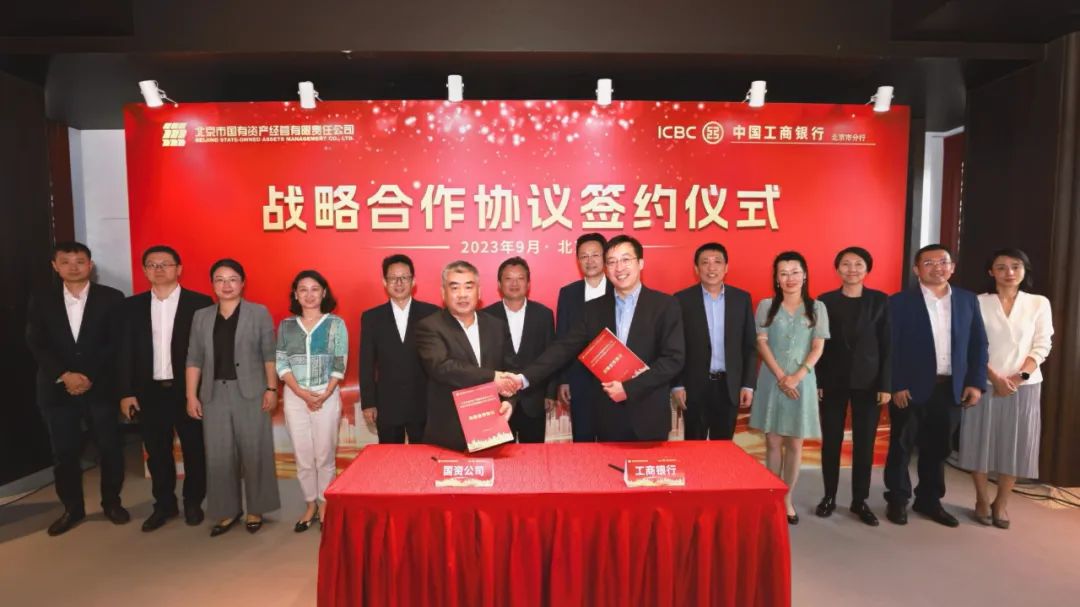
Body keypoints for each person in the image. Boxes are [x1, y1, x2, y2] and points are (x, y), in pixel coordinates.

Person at [516, 235, 685, 442]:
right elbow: (562, 348)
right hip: (608, 417)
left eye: (625, 259)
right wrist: (523, 378)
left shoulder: (665, 305)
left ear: (640, 263)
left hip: (648, 414)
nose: (619, 268)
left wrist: (628, 388)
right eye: (612, 262)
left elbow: (673, 360)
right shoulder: (593, 309)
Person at [26, 241, 128, 536]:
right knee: (64, 454)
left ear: (90, 265)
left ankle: (112, 503)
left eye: (80, 261)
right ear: (55, 266)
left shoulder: (112, 298)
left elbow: (115, 343)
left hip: (101, 388)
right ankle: (72, 508)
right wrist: (65, 375)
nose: (73, 267)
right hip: (57, 389)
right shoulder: (41, 299)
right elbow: (36, 342)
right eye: (66, 262)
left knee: (110, 449)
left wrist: (88, 376)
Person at [884, 244, 988, 528]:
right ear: (917, 269)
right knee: (901, 446)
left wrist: (975, 383)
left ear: (952, 267)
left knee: (938, 448)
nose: (937, 267)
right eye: (928, 263)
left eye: (943, 261)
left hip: (950, 387)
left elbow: (978, 344)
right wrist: (896, 384)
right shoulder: (899, 302)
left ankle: (929, 500)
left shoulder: (967, 300)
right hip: (909, 388)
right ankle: (897, 498)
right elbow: (890, 347)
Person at [117, 245, 213, 532]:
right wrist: (126, 391)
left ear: (179, 269)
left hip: (188, 391)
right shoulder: (131, 307)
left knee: (194, 449)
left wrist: (202, 392)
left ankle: (193, 502)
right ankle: (164, 505)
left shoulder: (200, 303)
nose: (158, 269)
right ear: (145, 270)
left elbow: (208, 351)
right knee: (157, 452)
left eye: (165, 264)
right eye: (152, 264)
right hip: (148, 392)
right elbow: (124, 351)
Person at [959, 248, 1052, 529]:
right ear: (991, 272)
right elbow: (970, 345)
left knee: (1015, 445)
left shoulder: (1038, 303)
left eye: (1015, 266)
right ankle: (981, 499)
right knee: (978, 442)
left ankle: (1001, 502)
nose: (1009, 272)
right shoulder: (977, 302)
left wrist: (1019, 377)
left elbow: (1043, 344)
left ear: (1025, 270)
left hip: (1025, 386)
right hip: (983, 382)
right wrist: (994, 377)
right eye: (1001, 267)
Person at [186, 259, 280, 536]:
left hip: (251, 392)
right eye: (219, 279)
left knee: (255, 451)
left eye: (232, 279)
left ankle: (256, 509)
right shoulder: (201, 316)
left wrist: (272, 389)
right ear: (212, 284)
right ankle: (227, 510)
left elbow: (269, 354)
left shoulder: (258, 313)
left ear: (242, 283)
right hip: (213, 394)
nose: (226, 285)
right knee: (219, 455)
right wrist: (191, 395)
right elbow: (194, 358)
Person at [749, 251, 829, 525]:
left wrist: (797, 376)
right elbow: (761, 342)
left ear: (804, 275)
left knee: (795, 442)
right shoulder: (766, 306)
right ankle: (772, 495)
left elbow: (818, 346)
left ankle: (787, 498)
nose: (790, 278)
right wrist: (783, 376)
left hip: (803, 381)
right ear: (776, 279)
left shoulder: (817, 308)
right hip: (771, 379)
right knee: (772, 441)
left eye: (795, 272)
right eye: (783, 273)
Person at [814, 246, 891, 526]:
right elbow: (818, 344)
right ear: (837, 269)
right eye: (846, 264)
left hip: (869, 383)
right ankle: (829, 496)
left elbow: (888, 345)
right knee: (831, 442)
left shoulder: (880, 301)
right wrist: (818, 381)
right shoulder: (825, 301)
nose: (852, 269)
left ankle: (860, 500)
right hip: (832, 382)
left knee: (864, 444)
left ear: (867, 269)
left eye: (858, 264)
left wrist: (886, 384)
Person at [415, 260, 515, 452]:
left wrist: (510, 402)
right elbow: (442, 367)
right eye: (455, 288)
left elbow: (510, 369)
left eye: (468, 287)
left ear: (479, 292)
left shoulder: (497, 326)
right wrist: (492, 377)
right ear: (443, 293)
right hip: (449, 436)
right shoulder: (429, 327)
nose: (462, 294)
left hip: (494, 431)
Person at [276, 270, 348, 532]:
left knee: (324, 455)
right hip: (295, 397)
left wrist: (324, 394)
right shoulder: (286, 326)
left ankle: (325, 503)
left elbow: (340, 363)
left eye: (314, 289)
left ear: (323, 293)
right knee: (303, 455)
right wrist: (301, 393)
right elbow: (282, 363)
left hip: (326, 395)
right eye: (303, 289)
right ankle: (310, 504)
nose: (309, 295)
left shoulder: (335, 324)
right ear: (295, 294)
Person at [672, 242, 756, 441]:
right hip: (694, 387)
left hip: (729, 386)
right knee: (694, 445)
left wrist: (747, 385)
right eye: (705, 262)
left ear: (726, 268)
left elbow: (749, 346)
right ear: (696, 268)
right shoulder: (681, 300)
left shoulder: (741, 299)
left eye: (717, 262)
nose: (711, 267)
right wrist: (677, 385)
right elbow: (675, 347)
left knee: (724, 447)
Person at [359, 255, 439, 444]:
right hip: (387, 404)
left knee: (424, 456)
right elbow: (366, 363)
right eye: (393, 278)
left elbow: (439, 362)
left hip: (423, 402)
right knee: (390, 457)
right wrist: (368, 403)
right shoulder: (372, 317)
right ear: (384, 282)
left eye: (404, 277)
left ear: (413, 281)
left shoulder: (432, 314)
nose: (399, 283)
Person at [483, 257, 557, 443]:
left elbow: (551, 355)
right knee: (501, 454)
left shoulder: (543, 314)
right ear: (499, 284)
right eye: (508, 279)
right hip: (498, 402)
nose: (514, 284)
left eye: (520, 278)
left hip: (534, 398)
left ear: (528, 283)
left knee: (534, 455)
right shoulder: (486, 316)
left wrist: (550, 393)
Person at [554, 233, 613, 441]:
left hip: (614, 377)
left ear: (605, 257)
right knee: (583, 439)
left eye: (595, 255)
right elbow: (562, 338)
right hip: (579, 379)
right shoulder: (568, 293)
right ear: (578, 260)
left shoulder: (618, 288)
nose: (590, 261)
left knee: (613, 439)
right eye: (584, 256)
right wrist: (563, 380)